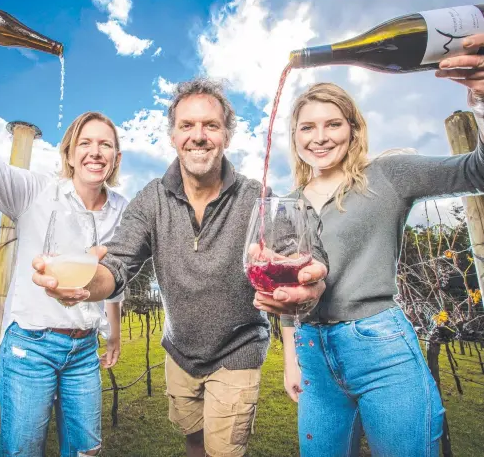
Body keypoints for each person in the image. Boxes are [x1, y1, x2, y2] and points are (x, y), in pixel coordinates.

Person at [32, 78, 329, 457]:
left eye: (211, 126)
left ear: (226, 136)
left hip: (237, 351)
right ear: (173, 136)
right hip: (179, 352)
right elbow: (118, 264)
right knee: (193, 440)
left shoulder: (257, 197)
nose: (198, 136)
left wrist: (310, 285)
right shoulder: (152, 199)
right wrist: (84, 285)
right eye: (187, 126)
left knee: (223, 450)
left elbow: (301, 254)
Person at [254, 35, 484, 456]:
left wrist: (483, 104)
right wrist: (291, 357)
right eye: (308, 127)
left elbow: (477, 170)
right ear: (294, 135)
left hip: (381, 349)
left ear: (354, 129)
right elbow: (288, 294)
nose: (320, 138)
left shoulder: (389, 175)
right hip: (314, 358)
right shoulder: (287, 205)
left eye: (333, 124)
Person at [0, 0, 128, 456]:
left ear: (116, 158)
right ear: (70, 152)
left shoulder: (121, 208)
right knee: (22, 451)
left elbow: (116, 276)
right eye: (86, 142)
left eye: (106, 145)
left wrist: (112, 332)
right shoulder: (34, 191)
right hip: (30, 348)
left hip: (83, 353)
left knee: (88, 451)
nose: (96, 152)